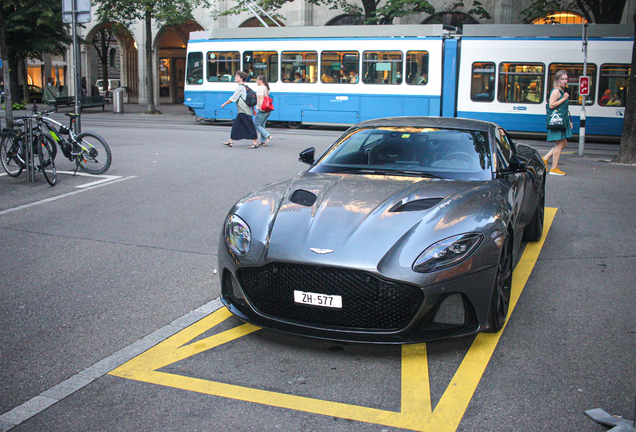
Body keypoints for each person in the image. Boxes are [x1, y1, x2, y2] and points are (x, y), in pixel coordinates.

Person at [543, 70, 572, 176]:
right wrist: (564, 98)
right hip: (557, 121)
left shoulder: (561, 91)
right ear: (557, 80)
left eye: (566, 79)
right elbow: (551, 105)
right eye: (562, 79)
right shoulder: (556, 91)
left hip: (562, 120)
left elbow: (563, 109)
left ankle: (545, 158)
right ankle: (554, 168)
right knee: (560, 144)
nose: (565, 81)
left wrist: (568, 121)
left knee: (564, 144)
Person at [220, 70, 259, 148]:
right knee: (235, 125)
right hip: (242, 110)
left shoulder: (240, 87)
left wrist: (225, 103)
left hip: (244, 110)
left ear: (241, 78)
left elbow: (233, 98)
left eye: (237, 76)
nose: (235, 77)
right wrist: (253, 109)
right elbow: (248, 99)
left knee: (250, 126)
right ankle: (230, 141)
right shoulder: (245, 86)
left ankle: (255, 142)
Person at [253, 75, 273, 147]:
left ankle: (267, 135)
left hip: (262, 109)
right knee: (262, 125)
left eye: (257, 80)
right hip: (268, 109)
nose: (256, 81)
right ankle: (263, 140)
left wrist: (261, 107)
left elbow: (261, 98)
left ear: (261, 81)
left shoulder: (261, 88)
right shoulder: (266, 88)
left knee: (255, 123)